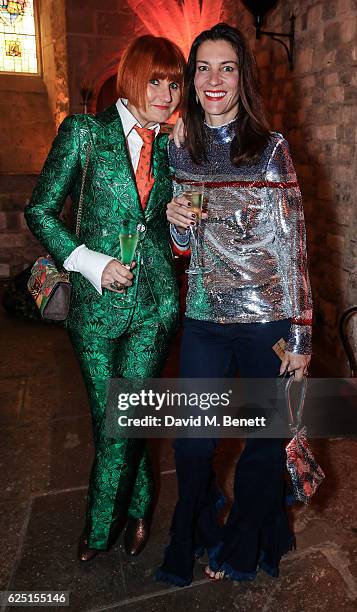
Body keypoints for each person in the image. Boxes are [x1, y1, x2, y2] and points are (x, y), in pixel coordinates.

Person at [156, 23, 312, 586]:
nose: (214, 79)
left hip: (264, 318)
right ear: (192, 80)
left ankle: (245, 540)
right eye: (203, 67)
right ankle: (195, 528)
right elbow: (182, 247)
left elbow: (293, 247)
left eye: (226, 67)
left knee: (263, 446)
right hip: (203, 317)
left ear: (241, 77)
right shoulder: (179, 147)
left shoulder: (270, 151)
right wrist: (176, 229)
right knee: (194, 443)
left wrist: (301, 336)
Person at [25, 35, 186, 562]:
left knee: (126, 417)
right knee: (110, 420)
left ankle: (98, 527)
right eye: (156, 80)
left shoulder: (171, 147)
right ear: (133, 76)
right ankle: (139, 505)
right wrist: (91, 263)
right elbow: (41, 211)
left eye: (174, 83)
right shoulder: (84, 134)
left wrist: (176, 219)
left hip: (154, 306)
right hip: (94, 312)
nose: (166, 93)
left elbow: (159, 223)